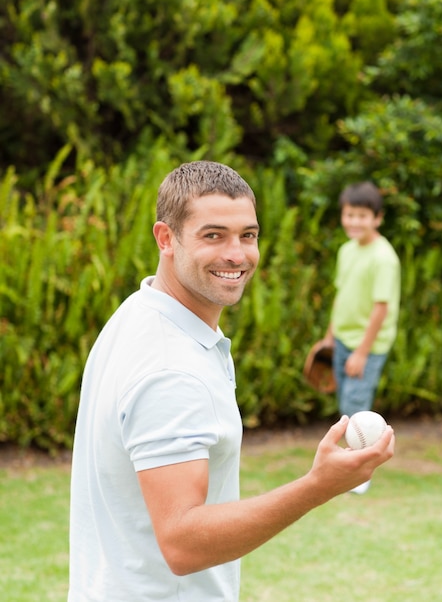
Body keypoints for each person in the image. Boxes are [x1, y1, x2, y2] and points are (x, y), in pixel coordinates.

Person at [68, 161, 395, 602]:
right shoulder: (172, 370)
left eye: (248, 235)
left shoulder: (138, 313)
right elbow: (181, 544)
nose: (237, 254)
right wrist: (316, 487)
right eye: (213, 235)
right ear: (166, 238)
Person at [320, 181, 401, 492]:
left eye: (362, 215)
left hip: (366, 346)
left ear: (377, 218)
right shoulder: (346, 250)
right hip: (342, 340)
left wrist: (362, 352)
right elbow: (341, 296)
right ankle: (349, 465)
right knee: (346, 405)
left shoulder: (384, 258)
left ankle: (360, 475)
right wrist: (330, 337)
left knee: (357, 407)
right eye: (349, 214)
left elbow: (381, 309)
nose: (354, 221)